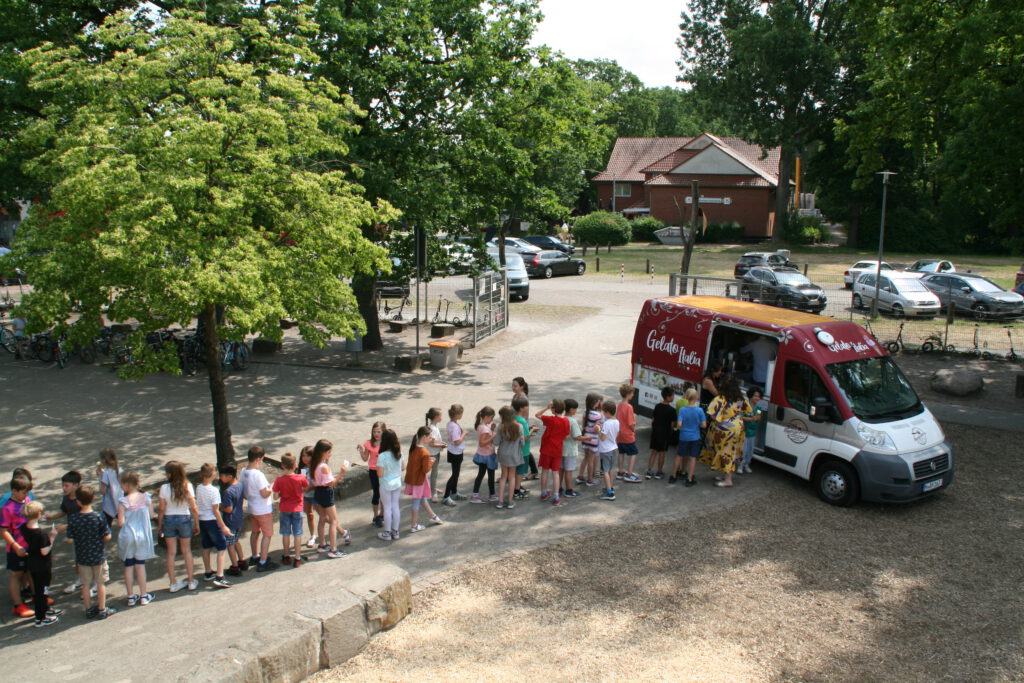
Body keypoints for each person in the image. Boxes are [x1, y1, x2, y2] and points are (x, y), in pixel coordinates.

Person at [66, 486, 115, 618]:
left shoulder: (74, 519)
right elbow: (107, 536)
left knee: (85, 584)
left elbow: (70, 540)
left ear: (78, 501)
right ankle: (102, 608)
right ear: (93, 499)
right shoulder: (99, 516)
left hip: (82, 556)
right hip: (98, 555)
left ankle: (88, 609)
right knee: (100, 582)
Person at [700, 376, 750, 488]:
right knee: (731, 452)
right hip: (738, 427)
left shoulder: (720, 399)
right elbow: (747, 411)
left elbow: (712, 415)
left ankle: (728, 480)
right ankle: (726, 475)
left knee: (724, 453)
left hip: (725, 429)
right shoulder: (740, 399)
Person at [157, 461, 198, 592]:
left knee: (171, 552)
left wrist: (159, 525)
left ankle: (173, 583)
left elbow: (162, 509)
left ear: (169, 474)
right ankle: (191, 580)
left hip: (169, 519)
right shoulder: (187, 486)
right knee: (187, 551)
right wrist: (197, 523)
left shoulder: (164, 488)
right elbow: (194, 507)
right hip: (184, 518)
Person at [116, 471, 156, 605]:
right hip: (142, 535)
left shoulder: (123, 501)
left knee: (128, 565)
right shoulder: (146, 498)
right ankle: (144, 595)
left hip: (128, 535)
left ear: (127, 485)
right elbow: (151, 515)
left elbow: (120, 522)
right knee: (140, 564)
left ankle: (130, 596)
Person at [20, 501, 62, 627]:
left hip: (32, 563)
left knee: (39, 589)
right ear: (38, 515)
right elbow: (44, 551)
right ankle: (41, 617)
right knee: (42, 590)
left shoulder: (24, 528)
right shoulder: (41, 534)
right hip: (42, 566)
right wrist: (52, 537)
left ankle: (45, 608)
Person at [1, 476, 35, 618]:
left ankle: (37, 597)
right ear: (13, 491)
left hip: (30, 545)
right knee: (17, 574)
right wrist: (16, 546)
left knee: (32, 571)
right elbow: (3, 530)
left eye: (27, 493)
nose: (26, 496)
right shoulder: (7, 509)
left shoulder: (26, 501)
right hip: (17, 548)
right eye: (23, 492)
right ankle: (18, 605)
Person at [310, 439, 348, 559]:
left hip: (318, 493)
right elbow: (330, 484)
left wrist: (335, 477)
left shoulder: (314, 464)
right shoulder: (324, 466)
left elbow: (323, 481)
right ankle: (333, 549)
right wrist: (341, 473)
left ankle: (322, 544)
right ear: (323, 452)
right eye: (329, 452)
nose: (330, 454)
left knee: (322, 518)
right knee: (333, 521)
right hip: (326, 494)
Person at [196, 463, 233, 587]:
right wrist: (223, 526)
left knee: (206, 546)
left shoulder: (199, 488)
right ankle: (220, 575)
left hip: (202, 520)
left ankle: (208, 571)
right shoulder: (214, 491)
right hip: (212, 521)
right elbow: (215, 510)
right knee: (221, 548)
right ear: (213, 475)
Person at [241, 446, 276, 571]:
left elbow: (244, 492)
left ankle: (255, 555)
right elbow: (264, 493)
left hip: (252, 507)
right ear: (258, 459)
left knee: (255, 531)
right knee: (267, 534)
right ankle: (263, 561)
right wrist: (272, 486)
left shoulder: (243, 472)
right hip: (263, 509)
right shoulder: (258, 475)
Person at [272, 453, 307, 568]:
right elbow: (305, 488)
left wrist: (282, 493)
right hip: (297, 508)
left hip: (284, 509)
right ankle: (297, 557)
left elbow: (275, 497)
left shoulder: (279, 480)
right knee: (298, 533)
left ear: (282, 465)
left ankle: (286, 555)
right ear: (295, 465)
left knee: (285, 533)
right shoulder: (300, 478)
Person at [406, 427, 443, 531]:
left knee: (422, 499)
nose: (431, 439)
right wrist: (431, 462)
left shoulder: (414, 448)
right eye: (430, 437)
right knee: (416, 502)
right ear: (424, 437)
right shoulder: (425, 452)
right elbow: (426, 469)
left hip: (414, 478)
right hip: (419, 480)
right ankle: (414, 525)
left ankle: (433, 516)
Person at [535, 399, 570, 506]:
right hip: (557, 449)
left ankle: (544, 493)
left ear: (553, 409)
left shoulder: (550, 419)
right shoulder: (566, 421)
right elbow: (567, 435)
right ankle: (556, 496)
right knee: (555, 472)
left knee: (545, 471)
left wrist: (546, 407)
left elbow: (537, 415)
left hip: (546, 449)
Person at [494, 406, 525, 510]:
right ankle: (510, 501)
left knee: (503, 476)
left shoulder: (500, 427)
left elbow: (496, 442)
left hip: (503, 453)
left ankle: (500, 501)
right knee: (512, 477)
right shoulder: (519, 426)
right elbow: (522, 443)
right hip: (514, 454)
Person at [218, 464, 246, 576]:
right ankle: (242, 560)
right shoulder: (240, 485)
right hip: (239, 518)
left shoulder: (228, 492)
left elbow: (228, 509)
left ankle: (234, 566)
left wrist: (220, 507)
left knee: (230, 544)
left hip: (230, 520)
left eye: (222, 476)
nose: (221, 478)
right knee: (236, 540)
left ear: (229, 477)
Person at [675, 388, 707, 487]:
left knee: (679, 455)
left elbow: (679, 424)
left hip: (684, 436)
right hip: (695, 436)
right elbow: (704, 425)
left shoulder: (682, 410)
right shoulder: (700, 410)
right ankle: (689, 479)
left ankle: (673, 475)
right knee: (693, 458)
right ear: (696, 397)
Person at [376, 429, 404, 541]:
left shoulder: (382, 456)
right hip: (397, 483)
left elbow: (380, 473)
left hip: (385, 484)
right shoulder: (399, 453)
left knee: (387, 507)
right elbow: (403, 467)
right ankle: (395, 531)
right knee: (395, 506)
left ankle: (387, 532)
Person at [356, 423, 385, 528]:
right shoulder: (369, 443)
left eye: (378, 432)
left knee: (384, 493)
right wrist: (361, 451)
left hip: (384, 471)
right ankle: (375, 516)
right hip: (373, 471)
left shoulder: (386, 444)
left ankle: (382, 514)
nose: (376, 434)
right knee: (376, 493)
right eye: (374, 432)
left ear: (383, 432)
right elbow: (365, 458)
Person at [511, 377, 539, 479]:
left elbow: (524, 416)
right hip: (515, 424)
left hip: (521, 425)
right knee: (522, 449)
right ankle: (532, 471)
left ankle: (522, 472)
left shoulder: (523, 399)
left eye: (515, 386)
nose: (513, 388)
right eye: (512, 386)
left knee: (523, 449)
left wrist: (525, 427)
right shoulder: (515, 396)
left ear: (521, 386)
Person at [470, 407, 498, 503]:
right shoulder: (485, 429)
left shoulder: (481, 426)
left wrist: (492, 429)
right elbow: (482, 442)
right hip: (487, 455)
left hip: (482, 454)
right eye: (491, 418)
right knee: (491, 475)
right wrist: (493, 435)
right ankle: (492, 494)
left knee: (481, 474)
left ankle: (475, 494)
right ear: (486, 417)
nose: (492, 420)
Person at [648, 387, 676, 481]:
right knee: (662, 453)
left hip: (655, 432)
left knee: (654, 451)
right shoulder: (672, 410)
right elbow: (672, 424)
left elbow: (653, 419)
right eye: (672, 395)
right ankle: (659, 472)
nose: (673, 397)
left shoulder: (657, 406)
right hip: (664, 434)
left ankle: (649, 470)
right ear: (668, 397)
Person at [615, 384, 641, 483]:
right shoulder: (629, 407)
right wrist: (633, 429)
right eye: (632, 393)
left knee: (621, 452)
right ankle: (629, 473)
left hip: (620, 433)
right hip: (627, 434)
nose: (633, 395)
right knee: (633, 452)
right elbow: (631, 423)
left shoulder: (620, 405)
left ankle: (620, 471)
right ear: (628, 394)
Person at [560, 399, 585, 498]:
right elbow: (577, 436)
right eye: (575, 409)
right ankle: (569, 489)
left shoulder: (561, 419)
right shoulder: (572, 421)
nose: (576, 411)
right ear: (571, 410)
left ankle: (559, 487)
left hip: (561, 448)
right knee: (569, 470)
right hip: (570, 449)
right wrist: (589, 438)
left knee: (560, 469)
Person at [511, 397, 535, 499]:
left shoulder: (513, 418)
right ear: (521, 408)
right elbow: (525, 437)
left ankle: (518, 486)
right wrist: (532, 430)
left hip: (514, 449)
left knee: (516, 470)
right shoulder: (523, 421)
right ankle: (516, 491)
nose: (527, 407)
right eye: (526, 406)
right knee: (520, 471)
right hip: (524, 450)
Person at [577, 392, 603, 487]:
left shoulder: (585, 412)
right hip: (593, 439)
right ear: (595, 402)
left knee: (586, 458)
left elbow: (583, 426)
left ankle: (580, 476)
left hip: (585, 438)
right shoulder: (598, 415)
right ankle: (590, 479)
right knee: (591, 460)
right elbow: (597, 429)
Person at [442, 405, 466, 507]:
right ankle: (446, 496)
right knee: (455, 474)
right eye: (461, 413)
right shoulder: (454, 426)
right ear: (456, 414)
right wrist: (464, 434)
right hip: (455, 452)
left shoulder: (451, 423)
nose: (462, 415)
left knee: (456, 473)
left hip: (453, 451)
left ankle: (454, 492)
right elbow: (457, 441)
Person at [596, 401, 620, 501]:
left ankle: (609, 493)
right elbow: (617, 434)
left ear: (607, 412)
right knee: (610, 469)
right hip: (614, 447)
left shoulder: (606, 424)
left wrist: (598, 430)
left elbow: (602, 437)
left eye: (603, 412)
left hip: (605, 450)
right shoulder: (616, 421)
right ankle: (610, 487)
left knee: (605, 471)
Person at [739, 387, 765, 474]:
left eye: (759, 396)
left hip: (753, 432)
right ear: (750, 396)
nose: (757, 398)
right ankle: (740, 465)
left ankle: (747, 464)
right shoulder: (745, 406)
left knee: (750, 450)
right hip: (744, 432)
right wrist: (751, 419)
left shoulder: (758, 408)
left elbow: (758, 417)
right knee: (743, 450)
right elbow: (741, 417)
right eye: (755, 396)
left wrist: (757, 418)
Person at [424, 408, 447, 502]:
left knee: (434, 473)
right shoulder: (432, 428)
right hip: (432, 455)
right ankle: (433, 493)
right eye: (441, 415)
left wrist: (441, 443)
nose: (442, 417)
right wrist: (442, 445)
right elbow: (431, 444)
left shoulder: (434, 426)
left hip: (435, 453)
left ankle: (433, 488)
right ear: (437, 417)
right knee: (434, 474)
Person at [97, 448, 123, 527]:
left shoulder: (106, 474)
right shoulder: (120, 470)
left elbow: (102, 491)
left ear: (104, 460)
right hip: (120, 501)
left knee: (106, 526)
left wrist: (100, 477)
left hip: (109, 504)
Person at [298, 445, 317, 547]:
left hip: (316, 495)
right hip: (306, 495)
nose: (305, 458)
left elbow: (318, 482)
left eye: (308, 456)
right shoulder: (302, 469)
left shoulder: (317, 467)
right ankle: (313, 535)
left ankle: (338, 528)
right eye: (303, 456)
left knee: (324, 517)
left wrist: (310, 488)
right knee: (309, 515)